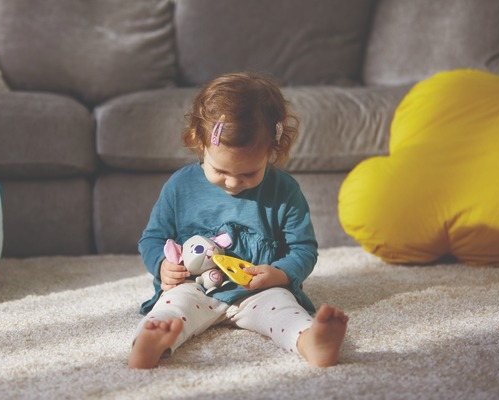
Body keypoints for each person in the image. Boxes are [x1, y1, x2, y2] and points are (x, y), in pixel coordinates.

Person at [128, 72, 348, 369]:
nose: (233, 183)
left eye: (248, 173)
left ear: (272, 149)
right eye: (220, 171)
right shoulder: (180, 187)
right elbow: (153, 238)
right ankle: (150, 343)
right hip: (195, 287)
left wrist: (279, 274)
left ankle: (311, 342)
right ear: (200, 142)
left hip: (259, 291)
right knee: (169, 311)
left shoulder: (284, 191)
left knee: (285, 311)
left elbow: (304, 249)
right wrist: (162, 265)